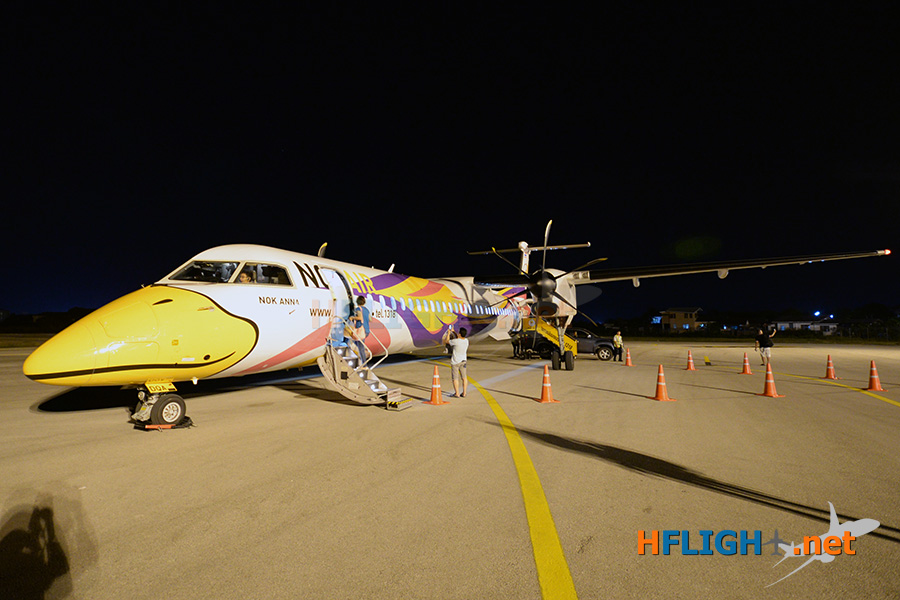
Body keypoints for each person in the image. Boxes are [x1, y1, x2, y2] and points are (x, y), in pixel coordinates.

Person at [442, 325, 469, 397]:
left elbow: (447, 341)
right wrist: (453, 332)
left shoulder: (456, 341)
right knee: (464, 377)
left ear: (459, 334)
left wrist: (449, 333)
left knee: (455, 378)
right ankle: (464, 393)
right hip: (463, 361)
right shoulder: (466, 341)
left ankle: (457, 393)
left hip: (455, 361)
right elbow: (459, 337)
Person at [349, 296, 371, 364]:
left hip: (361, 330)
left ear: (357, 302)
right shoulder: (366, 310)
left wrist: (352, 317)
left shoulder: (358, 309)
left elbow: (360, 317)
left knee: (360, 347)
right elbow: (370, 319)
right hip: (366, 330)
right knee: (358, 344)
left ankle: (364, 364)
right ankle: (365, 353)